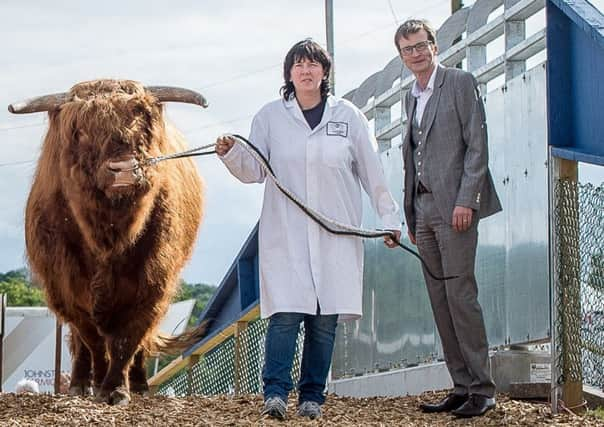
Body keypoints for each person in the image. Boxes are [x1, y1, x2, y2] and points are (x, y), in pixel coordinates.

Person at [216, 39, 401, 420]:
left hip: (335, 233)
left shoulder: (348, 116)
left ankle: (313, 397)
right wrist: (231, 152)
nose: (306, 71)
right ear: (288, 73)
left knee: (324, 320)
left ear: (324, 72)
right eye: (298, 65)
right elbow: (254, 170)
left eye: (313, 64)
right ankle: (275, 394)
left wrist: (389, 220)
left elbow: (373, 173)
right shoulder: (270, 117)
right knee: (285, 315)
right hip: (286, 235)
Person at [394, 19, 502, 418]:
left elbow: (477, 145)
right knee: (440, 301)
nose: (416, 54)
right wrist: (409, 212)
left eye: (421, 46)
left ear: (434, 47)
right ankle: (461, 385)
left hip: (455, 208)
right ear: (402, 56)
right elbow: (413, 155)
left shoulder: (459, 82)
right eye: (408, 50)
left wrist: (467, 201)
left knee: (461, 295)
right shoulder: (411, 96)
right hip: (421, 210)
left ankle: (483, 388)